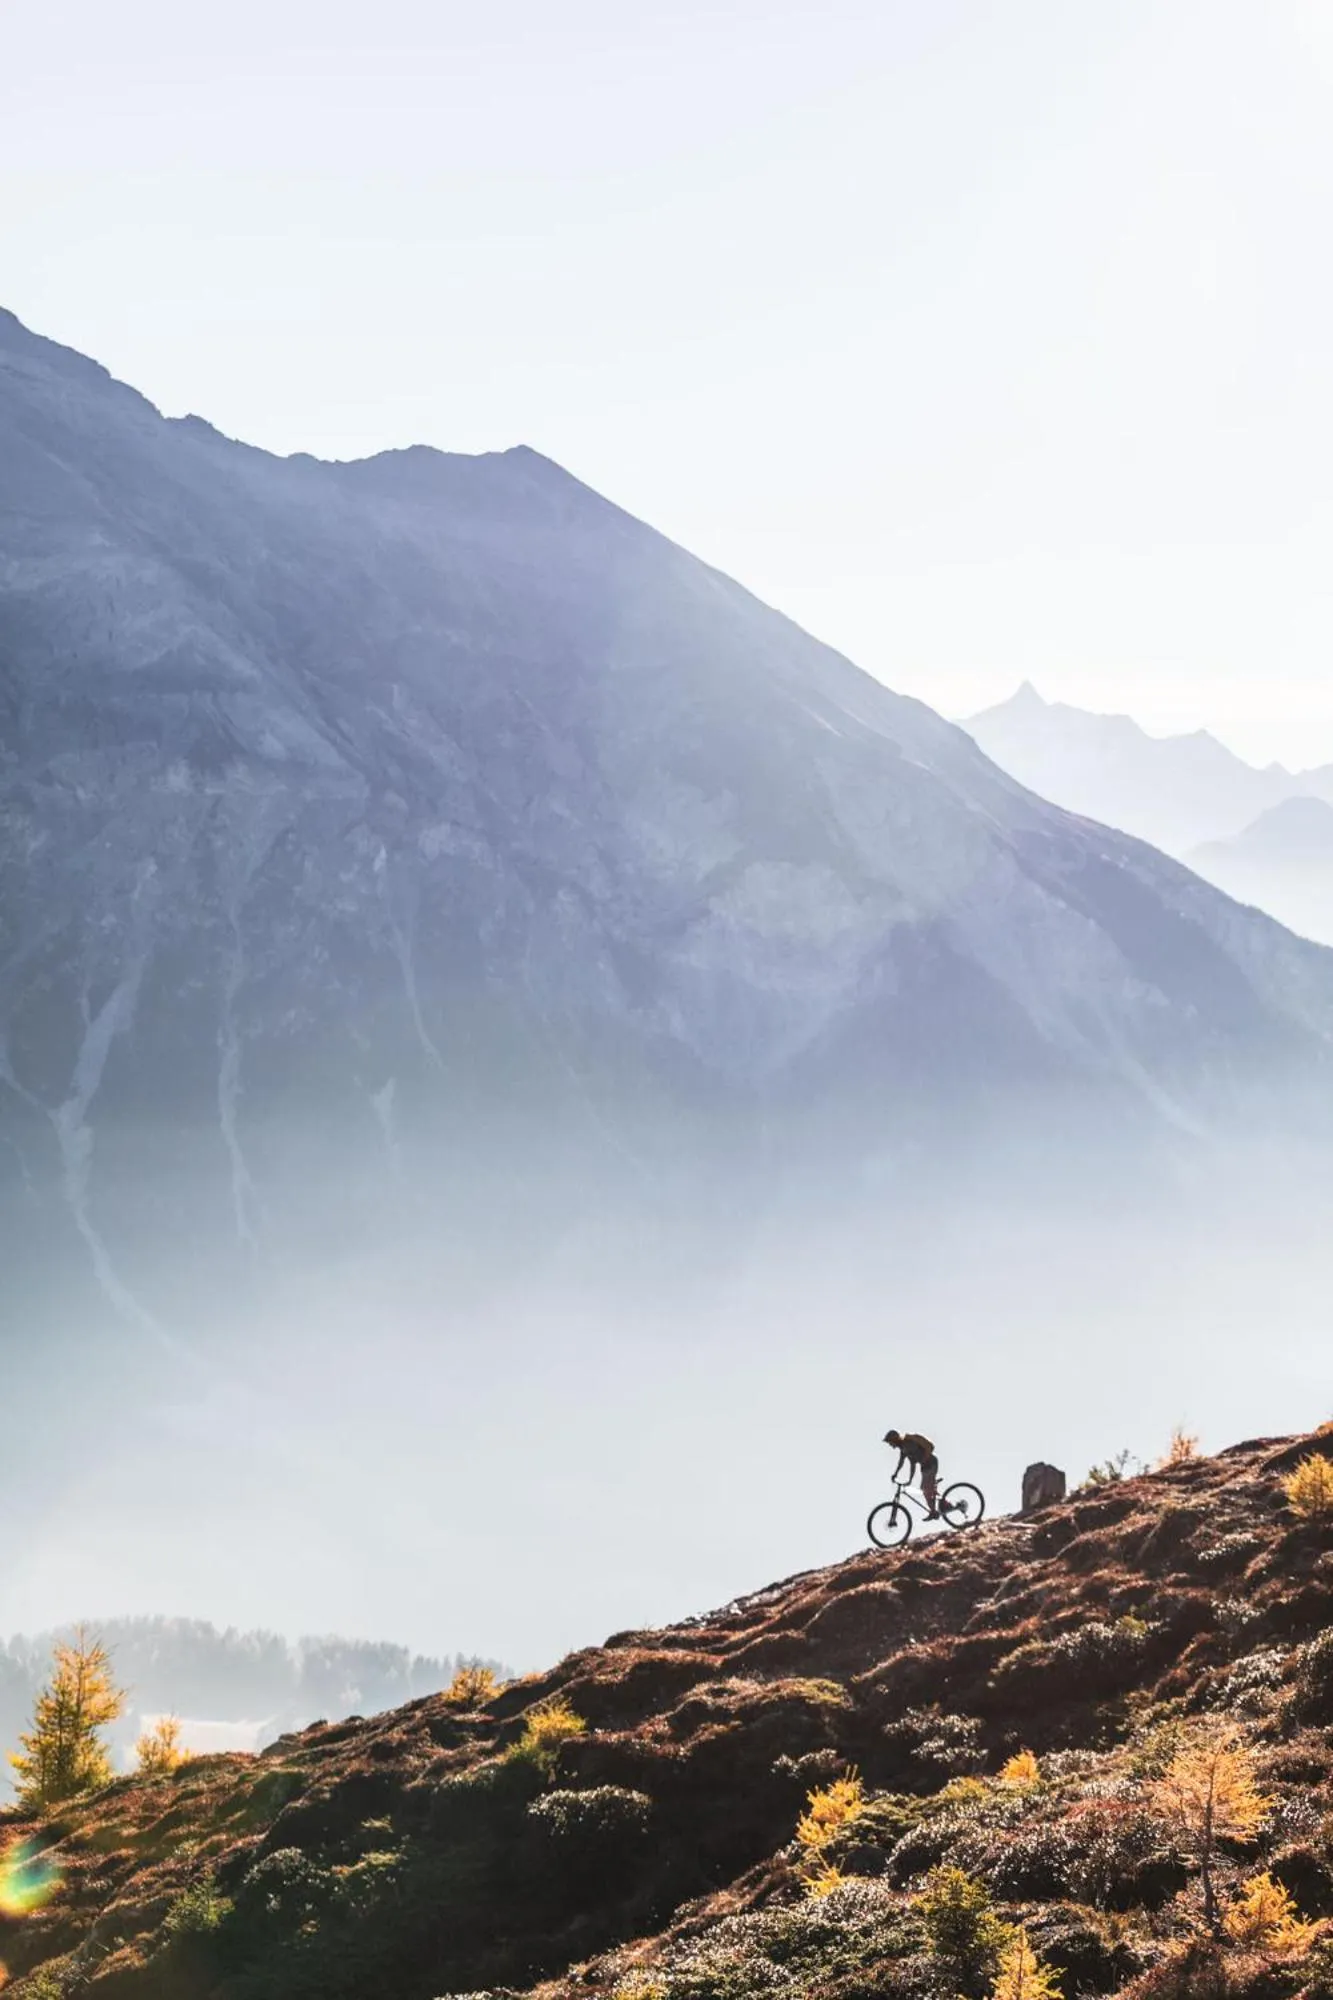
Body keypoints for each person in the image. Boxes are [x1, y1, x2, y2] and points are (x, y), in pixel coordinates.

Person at [883, 1428, 940, 1516]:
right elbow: (901, 1463)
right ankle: (942, 1505)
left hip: (931, 1463)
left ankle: (934, 1511)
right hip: (925, 1466)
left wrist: (909, 1479)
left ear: (895, 1439)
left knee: (926, 1488)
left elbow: (912, 1462)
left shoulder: (908, 1444)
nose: (890, 1444)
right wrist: (896, 1474)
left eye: (890, 1442)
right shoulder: (903, 1448)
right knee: (926, 1489)